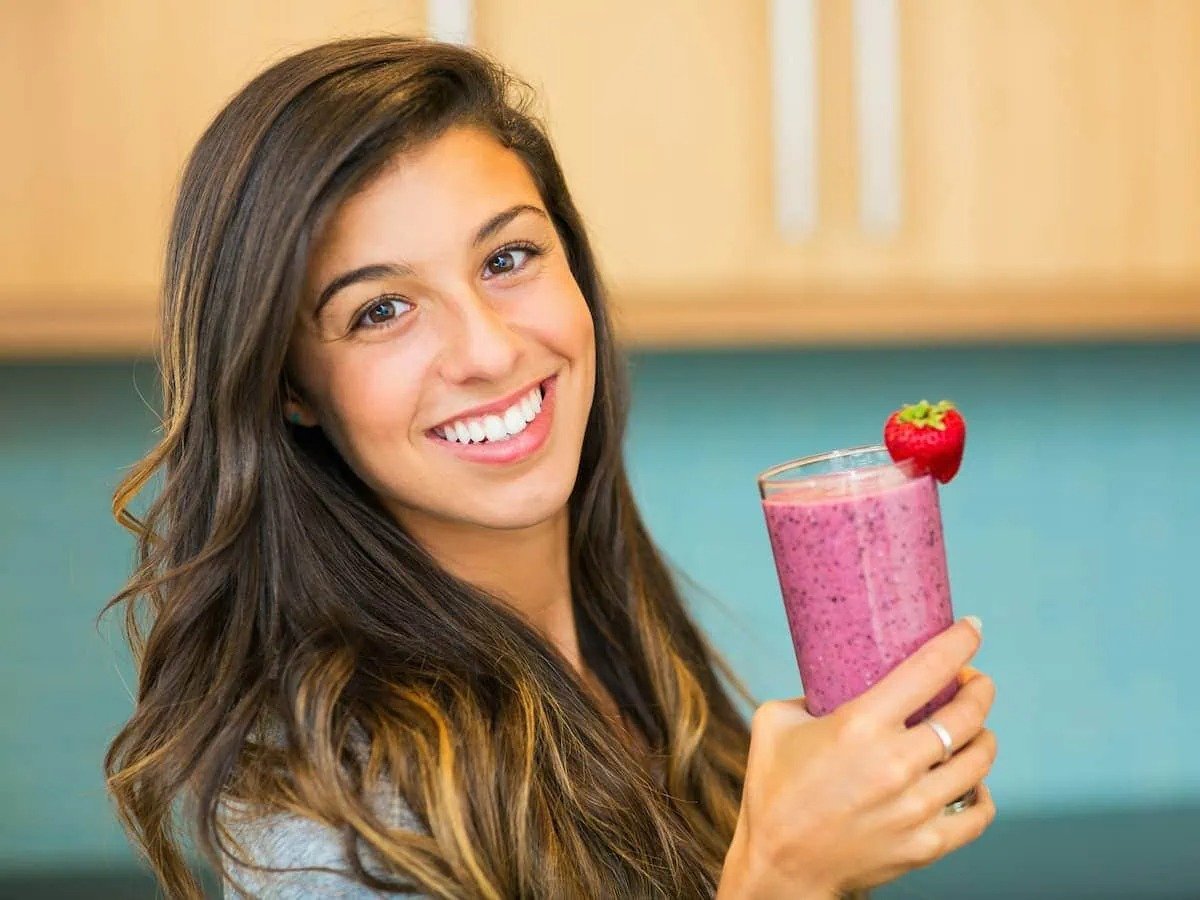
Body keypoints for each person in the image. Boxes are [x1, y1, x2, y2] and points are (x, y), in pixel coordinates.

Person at [103, 36, 996, 900]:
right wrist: (787, 879)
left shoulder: (631, 661)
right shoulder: (324, 804)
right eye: (381, 310)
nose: (487, 351)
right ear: (289, 386)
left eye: (507, 258)